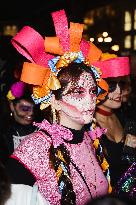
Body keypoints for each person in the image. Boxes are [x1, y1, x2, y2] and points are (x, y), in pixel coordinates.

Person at [5, 9, 110, 205]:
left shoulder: (90, 138)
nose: (90, 100)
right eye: (78, 92)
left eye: (93, 91)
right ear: (53, 99)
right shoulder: (34, 149)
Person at [92, 54, 136, 201]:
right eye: (111, 86)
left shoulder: (124, 117)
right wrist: (128, 153)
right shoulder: (89, 127)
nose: (118, 91)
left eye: (120, 85)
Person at [0, 81, 38, 165]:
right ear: (12, 106)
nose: (31, 113)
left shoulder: (40, 127)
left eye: (34, 109)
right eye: (25, 109)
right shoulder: (4, 133)